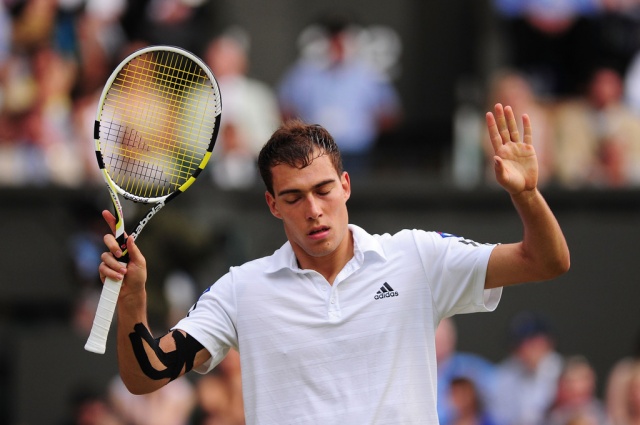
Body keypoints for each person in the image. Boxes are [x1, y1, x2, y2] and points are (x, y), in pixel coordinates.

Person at [97, 103, 570, 424]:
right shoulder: (242, 289)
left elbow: (545, 261)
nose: (314, 209)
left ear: (345, 185)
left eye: (323, 190)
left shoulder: (417, 256)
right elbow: (146, 375)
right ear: (272, 205)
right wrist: (134, 298)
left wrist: (526, 194)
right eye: (294, 197)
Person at [277, 14, 402, 177]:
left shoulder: (368, 74)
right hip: (315, 153)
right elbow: (284, 108)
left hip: (357, 154)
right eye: (333, 41)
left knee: (355, 197)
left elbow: (389, 114)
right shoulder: (304, 73)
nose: (337, 46)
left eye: (342, 41)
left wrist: (365, 130)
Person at [488, 311, 565, 425]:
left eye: (532, 342)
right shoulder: (504, 374)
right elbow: (498, 416)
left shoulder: (563, 370)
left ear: (548, 342)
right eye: (520, 344)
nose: (526, 349)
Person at [435, 317, 496, 425]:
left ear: (452, 338)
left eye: (441, 339)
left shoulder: (473, 369)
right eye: (434, 340)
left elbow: (499, 405)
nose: (437, 345)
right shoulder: (412, 376)